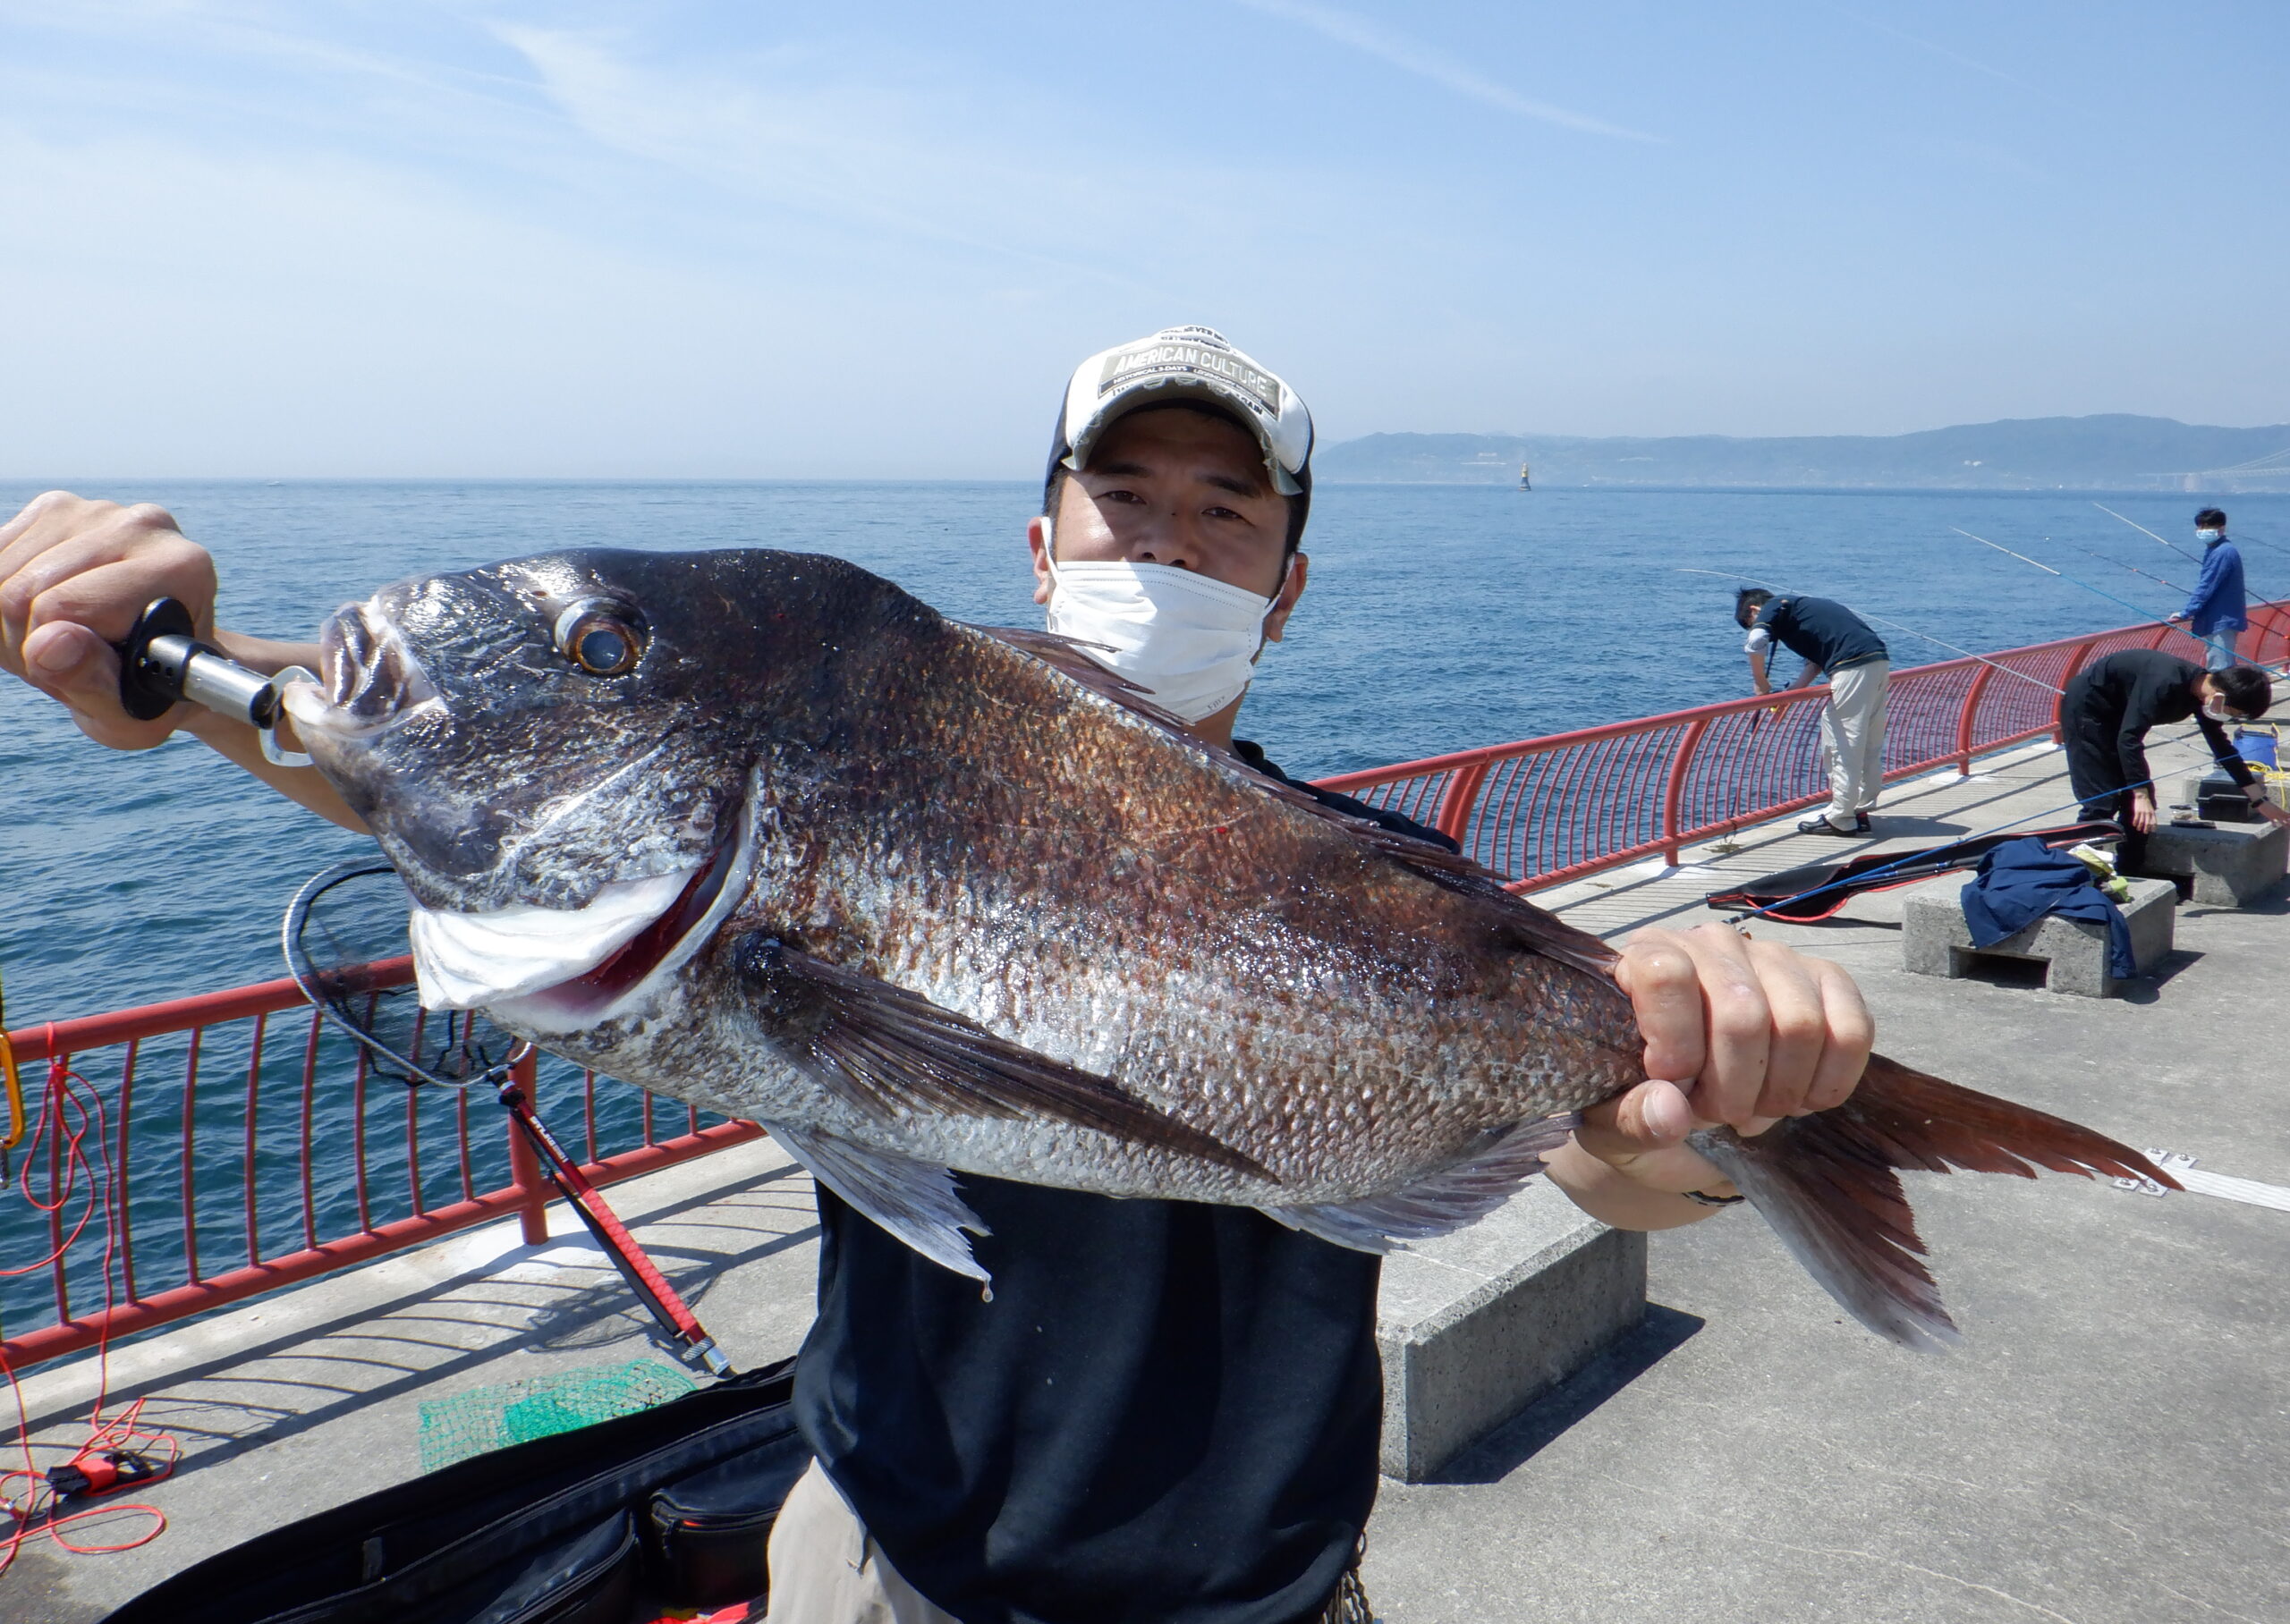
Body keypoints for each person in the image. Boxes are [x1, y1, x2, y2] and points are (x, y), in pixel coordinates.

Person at [0, 326, 1877, 1624]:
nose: (1164, 537)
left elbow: (1613, 1161)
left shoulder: (1397, 902)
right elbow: (467, 774)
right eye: (1118, 494)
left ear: (1287, 583)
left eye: (1224, 510)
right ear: (1038, 539)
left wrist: (1724, 1097)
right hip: (879, 1560)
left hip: (1255, 1596)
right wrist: (172, 664)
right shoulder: (868, 759)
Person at [2057, 647, 2289, 872]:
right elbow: (2129, 739)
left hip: (2121, 718)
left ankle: (2130, 870)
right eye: (2234, 713)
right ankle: (2075, 869)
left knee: (2142, 809)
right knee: (2102, 798)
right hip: (2088, 710)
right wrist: (2139, 792)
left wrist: (2259, 800)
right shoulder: (2164, 683)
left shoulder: (2202, 696)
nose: (2230, 718)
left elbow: (2221, 747)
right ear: (2221, 697)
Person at [1734, 588, 1890, 838]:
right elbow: (1815, 663)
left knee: (1842, 744)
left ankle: (1841, 817)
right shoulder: (1802, 611)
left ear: (1754, 610)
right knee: (1869, 744)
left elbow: (1755, 643)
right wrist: (1790, 695)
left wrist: (1760, 685)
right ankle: (1860, 810)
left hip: (1851, 667)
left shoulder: (1775, 605)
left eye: (1750, 622)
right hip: (1877, 663)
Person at [2167, 507, 2248, 671]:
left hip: (2221, 619)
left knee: (2220, 667)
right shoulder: (2219, 549)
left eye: (2207, 527)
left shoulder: (2222, 552)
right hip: (2220, 618)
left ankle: (2225, 696)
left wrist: (2187, 612)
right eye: (2200, 527)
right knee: (2222, 663)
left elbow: (2206, 585)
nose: (2202, 531)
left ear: (2221, 528)